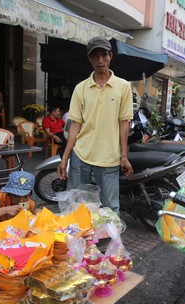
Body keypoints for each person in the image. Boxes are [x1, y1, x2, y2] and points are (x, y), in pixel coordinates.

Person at [57, 36, 133, 213]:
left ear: (110, 56)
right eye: (95, 56)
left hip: (109, 157)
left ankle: (112, 240)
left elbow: (124, 123)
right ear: (89, 58)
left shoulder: (123, 87)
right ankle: (78, 239)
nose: (100, 60)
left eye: (104, 55)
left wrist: (124, 155)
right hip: (81, 154)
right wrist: (65, 157)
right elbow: (75, 124)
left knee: (110, 206)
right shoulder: (81, 88)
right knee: (75, 204)